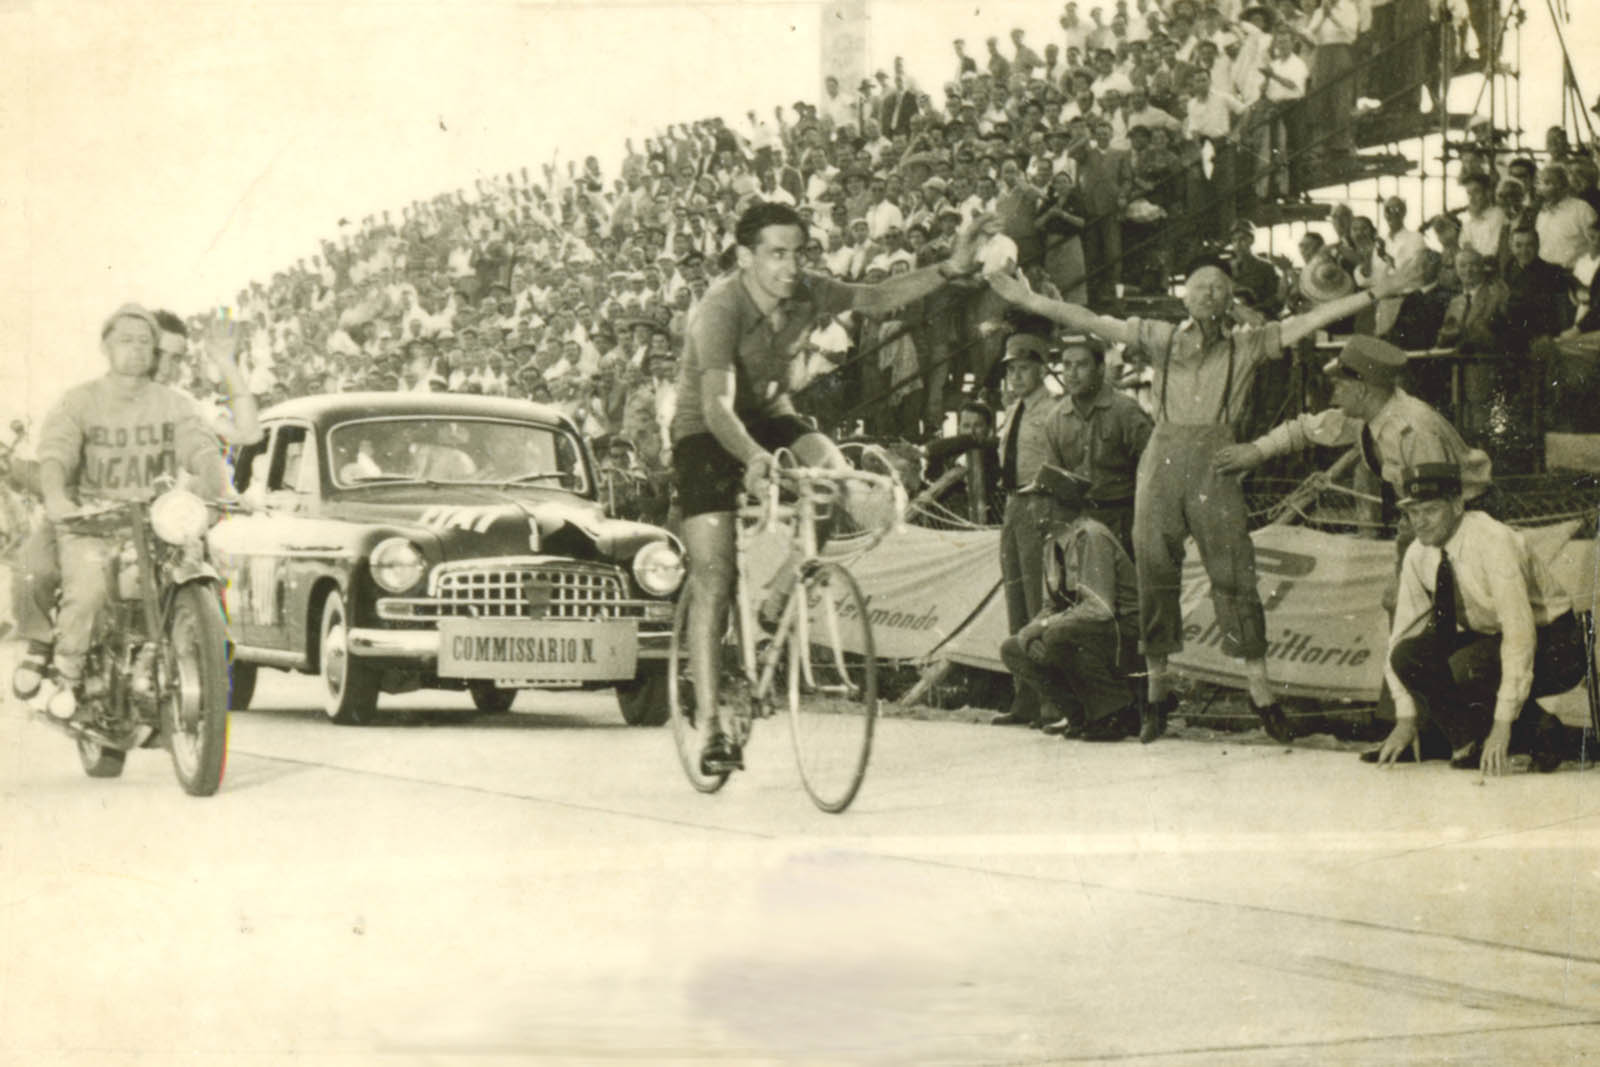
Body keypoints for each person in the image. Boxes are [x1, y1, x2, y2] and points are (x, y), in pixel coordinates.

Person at [988, 258, 1421, 744]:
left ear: (1230, 296)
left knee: (1234, 573)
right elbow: (1091, 321)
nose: (1210, 293)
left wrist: (1375, 293)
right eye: (1201, 286)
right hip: (1163, 460)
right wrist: (1028, 300)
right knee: (1155, 572)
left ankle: (1261, 693)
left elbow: (1309, 322)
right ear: (1185, 296)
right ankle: (1155, 694)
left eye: (1220, 287)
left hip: (1216, 461)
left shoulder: (1248, 343)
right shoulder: (1160, 336)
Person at [673, 201, 988, 774]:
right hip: (706, 429)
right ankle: (712, 723)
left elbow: (877, 297)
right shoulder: (719, 309)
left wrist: (949, 268)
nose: (790, 266)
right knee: (714, 572)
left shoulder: (807, 290)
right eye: (776, 254)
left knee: (832, 478)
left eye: (798, 253)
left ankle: (775, 604)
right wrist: (754, 459)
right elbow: (718, 408)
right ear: (745, 257)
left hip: (771, 413)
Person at [11, 304, 226, 721]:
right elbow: (56, 453)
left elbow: (200, 446)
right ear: (105, 347)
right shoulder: (79, 401)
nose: (137, 349)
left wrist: (215, 485)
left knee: (196, 572)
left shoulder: (173, 403)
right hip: (94, 521)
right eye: (126, 340)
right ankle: (68, 673)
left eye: (145, 341)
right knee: (89, 588)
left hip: (155, 522)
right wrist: (57, 497)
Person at [1367, 463, 1582, 774]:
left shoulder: (1494, 542)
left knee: (1466, 667)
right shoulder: (1419, 553)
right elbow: (1402, 632)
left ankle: (1542, 732)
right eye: (1413, 513)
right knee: (1407, 656)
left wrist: (1502, 725)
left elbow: (1520, 634)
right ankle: (1467, 742)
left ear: (1457, 506)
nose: (1420, 522)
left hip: (1556, 642)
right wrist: (1404, 718)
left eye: (1430, 510)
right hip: (1492, 639)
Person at [999, 469, 1141, 741]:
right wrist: (1031, 631)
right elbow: (1051, 605)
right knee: (1014, 649)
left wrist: (1042, 627)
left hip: (1125, 633)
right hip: (1089, 632)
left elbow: (1100, 608)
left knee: (1057, 635)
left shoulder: (1091, 536)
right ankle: (1081, 715)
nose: (1029, 506)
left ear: (1053, 504)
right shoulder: (1053, 544)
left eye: (1035, 499)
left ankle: (1116, 710)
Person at [990, 333, 1084, 727]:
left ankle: (1051, 702)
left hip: (1039, 504)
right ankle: (1024, 698)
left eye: (1024, 368)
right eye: (1011, 369)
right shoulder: (1015, 410)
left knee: (1038, 602)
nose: (1015, 376)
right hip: (1012, 505)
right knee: (1016, 600)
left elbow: (1065, 462)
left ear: (1043, 369)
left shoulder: (1054, 410)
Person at [1054, 335, 1151, 557]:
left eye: (1081, 365)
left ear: (1100, 368)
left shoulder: (1126, 412)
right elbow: (1056, 481)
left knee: (1127, 589)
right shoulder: (1056, 419)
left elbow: (1152, 470)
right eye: (1066, 365)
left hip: (1125, 519)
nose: (1072, 373)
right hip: (1080, 522)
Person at [153, 310, 264, 448]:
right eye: (157, 354)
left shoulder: (182, 403)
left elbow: (249, 435)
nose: (165, 368)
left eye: (175, 359)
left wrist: (226, 363)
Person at [916, 399, 1000, 525]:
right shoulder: (949, 455)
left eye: (978, 425)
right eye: (966, 425)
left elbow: (971, 441)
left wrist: (926, 449)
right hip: (949, 522)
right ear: (959, 428)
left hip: (986, 522)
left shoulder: (994, 449)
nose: (971, 431)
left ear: (988, 429)